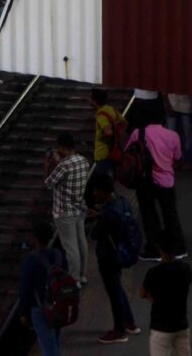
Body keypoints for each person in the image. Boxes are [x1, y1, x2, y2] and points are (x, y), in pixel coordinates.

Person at [126, 108, 187, 260]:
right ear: (163, 119)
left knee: (149, 214)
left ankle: (154, 249)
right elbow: (178, 158)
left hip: (144, 182)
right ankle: (178, 247)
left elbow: (127, 153)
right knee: (170, 214)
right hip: (166, 182)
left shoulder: (137, 134)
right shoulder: (172, 135)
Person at [90, 173, 141, 343]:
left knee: (114, 292)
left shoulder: (110, 213)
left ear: (103, 191)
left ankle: (119, 331)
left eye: (96, 190)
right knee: (117, 288)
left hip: (109, 257)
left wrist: (99, 218)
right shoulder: (123, 202)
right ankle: (129, 323)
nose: (94, 193)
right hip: (121, 252)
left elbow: (95, 234)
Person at [44, 132, 89, 283]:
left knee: (70, 247)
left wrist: (49, 164)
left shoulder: (63, 165)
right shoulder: (83, 160)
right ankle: (82, 275)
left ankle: (74, 279)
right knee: (81, 241)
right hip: (79, 208)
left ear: (62, 147)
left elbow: (49, 183)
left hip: (65, 211)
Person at [141, 230, 192, 355]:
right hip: (181, 325)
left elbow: (142, 293)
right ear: (175, 246)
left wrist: (155, 299)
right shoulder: (186, 269)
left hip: (161, 328)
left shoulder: (154, 273)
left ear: (158, 247)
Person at [18, 219, 65, 356]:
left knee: (48, 346)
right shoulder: (58, 255)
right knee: (54, 341)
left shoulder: (31, 260)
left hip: (40, 308)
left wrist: (22, 312)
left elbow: (25, 289)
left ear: (35, 238)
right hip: (59, 303)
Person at [166, 94, 192, 164]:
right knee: (171, 135)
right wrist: (168, 105)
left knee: (187, 135)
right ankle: (172, 158)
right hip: (173, 104)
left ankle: (187, 160)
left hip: (185, 105)